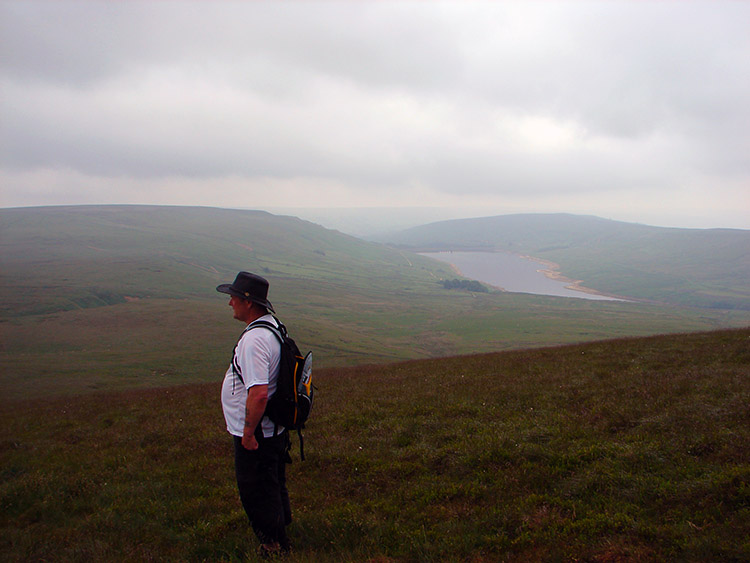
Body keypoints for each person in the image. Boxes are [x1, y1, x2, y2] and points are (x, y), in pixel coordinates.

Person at [217, 271, 292, 557]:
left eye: (234, 297)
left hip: (259, 431)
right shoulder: (274, 326)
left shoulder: (254, 340)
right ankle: (281, 527)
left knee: (255, 487)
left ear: (249, 302)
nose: (230, 303)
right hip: (273, 428)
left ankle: (273, 546)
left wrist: (248, 433)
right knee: (272, 480)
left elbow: (259, 392)